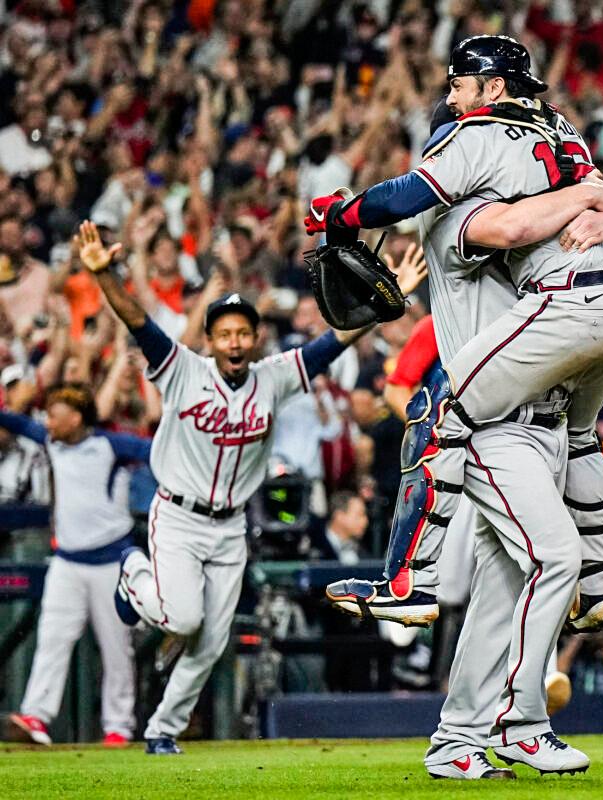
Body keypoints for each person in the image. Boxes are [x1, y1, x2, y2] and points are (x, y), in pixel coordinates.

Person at [315, 37, 603, 648]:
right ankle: (601, 584)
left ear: (493, 90)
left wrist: (341, 213)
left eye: (459, 85)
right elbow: (602, 195)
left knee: (436, 410)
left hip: (559, 314)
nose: (452, 97)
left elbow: (417, 198)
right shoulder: (560, 130)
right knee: (582, 435)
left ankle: (407, 584)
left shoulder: (473, 160)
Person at [73, 220, 423, 755]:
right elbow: (138, 320)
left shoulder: (272, 376)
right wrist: (105, 277)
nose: (234, 342)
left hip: (231, 524)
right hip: (179, 516)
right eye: (224, 333)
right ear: (210, 340)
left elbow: (331, 344)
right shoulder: (180, 369)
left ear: (254, 338)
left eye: (243, 332)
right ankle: (132, 574)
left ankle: (163, 729)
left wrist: (381, 299)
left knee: (212, 641)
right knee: (182, 617)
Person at [4, 384, 149, 747]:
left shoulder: (112, 445)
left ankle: (119, 726)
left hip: (110, 561)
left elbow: (157, 452)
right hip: (67, 561)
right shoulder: (53, 442)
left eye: (55, 414)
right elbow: (17, 423)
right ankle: (35, 716)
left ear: (76, 417)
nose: (48, 421)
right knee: (52, 639)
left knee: (117, 648)